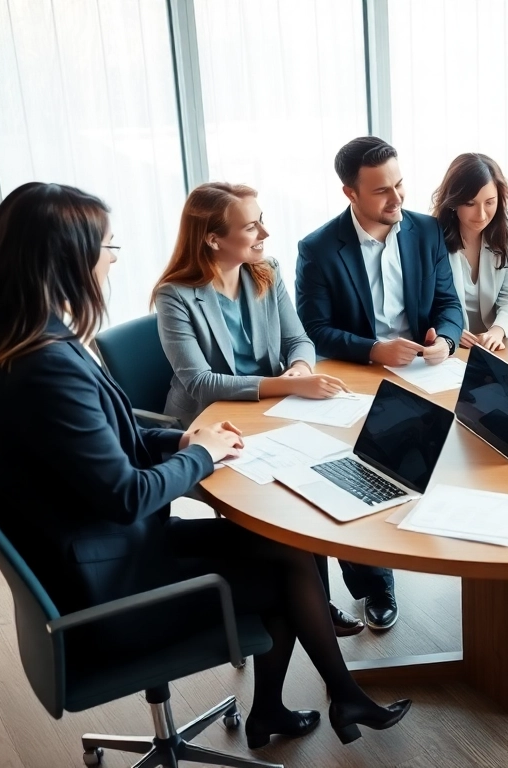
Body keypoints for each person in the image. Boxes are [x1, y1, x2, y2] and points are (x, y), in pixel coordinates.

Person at [0, 182, 409, 751]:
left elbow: (105, 439)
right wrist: (201, 454)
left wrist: (181, 439)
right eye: (109, 248)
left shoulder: (24, 344)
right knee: (290, 573)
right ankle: (336, 696)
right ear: (67, 260)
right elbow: (127, 496)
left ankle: (290, 707)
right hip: (113, 592)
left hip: (102, 553)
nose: (113, 262)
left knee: (297, 546)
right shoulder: (45, 366)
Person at [152, 181, 365, 638]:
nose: (264, 231)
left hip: (274, 409)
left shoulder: (264, 270)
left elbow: (297, 338)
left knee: (327, 471)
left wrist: (299, 367)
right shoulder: (175, 295)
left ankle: (318, 596)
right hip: (207, 428)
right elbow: (200, 382)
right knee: (290, 498)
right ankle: (311, 603)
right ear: (212, 238)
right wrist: (284, 385)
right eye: (251, 225)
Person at [297, 136, 463, 631]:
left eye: (400, 184)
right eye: (382, 192)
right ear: (350, 193)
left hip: (423, 371)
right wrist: (373, 348)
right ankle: (375, 583)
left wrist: (447, 342)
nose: (397, 200)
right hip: (358, 376)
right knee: (362, 468)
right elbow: (316, 330)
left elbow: (448, 305)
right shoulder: (320, 248)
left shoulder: (426, 231)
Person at [431, 153, 508, 351]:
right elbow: (430, 301)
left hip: (495, 346)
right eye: (470, 204)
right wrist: (450, 330)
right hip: (449, 347)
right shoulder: (432, 234)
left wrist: (497, 331)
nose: (481, 215)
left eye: (490, 202)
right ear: (454, 202)